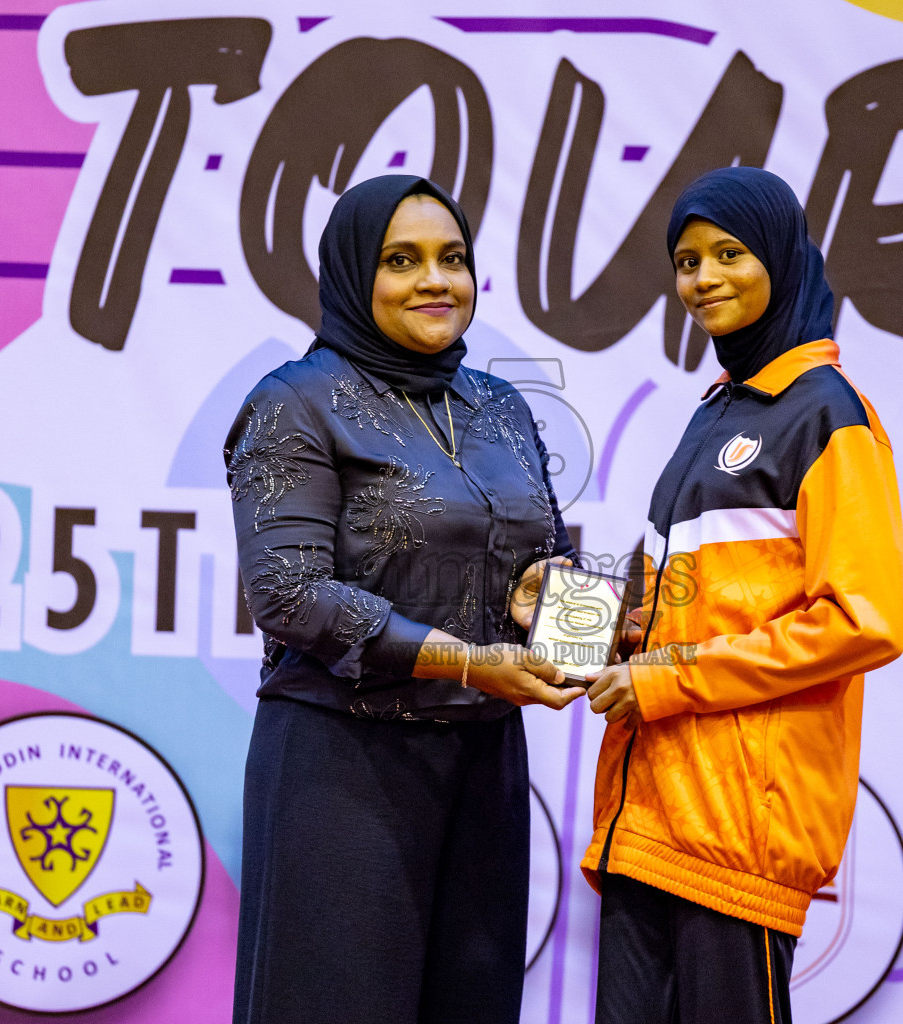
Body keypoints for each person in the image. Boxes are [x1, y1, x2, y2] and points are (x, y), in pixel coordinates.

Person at [225, 174, 584, 1024]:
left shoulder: (496, 405)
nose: (436, 281)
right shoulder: (294, 402)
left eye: (452, 258)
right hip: (343, 767)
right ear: (356, 274)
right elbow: (288, 593)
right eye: (403, 261)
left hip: (485, 767)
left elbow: (545, 565)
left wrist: (595, 638)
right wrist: (468, 660)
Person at [581, 166, 903, 1024]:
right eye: (687, 262)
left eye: (729, 254)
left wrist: (665, 678)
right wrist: (572, 627)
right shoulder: (716, 413)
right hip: (645, 821)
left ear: (782, 260)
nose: (704, 279)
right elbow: (669, 605)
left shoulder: (828, 414)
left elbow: (861, 623)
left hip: (737, 834)